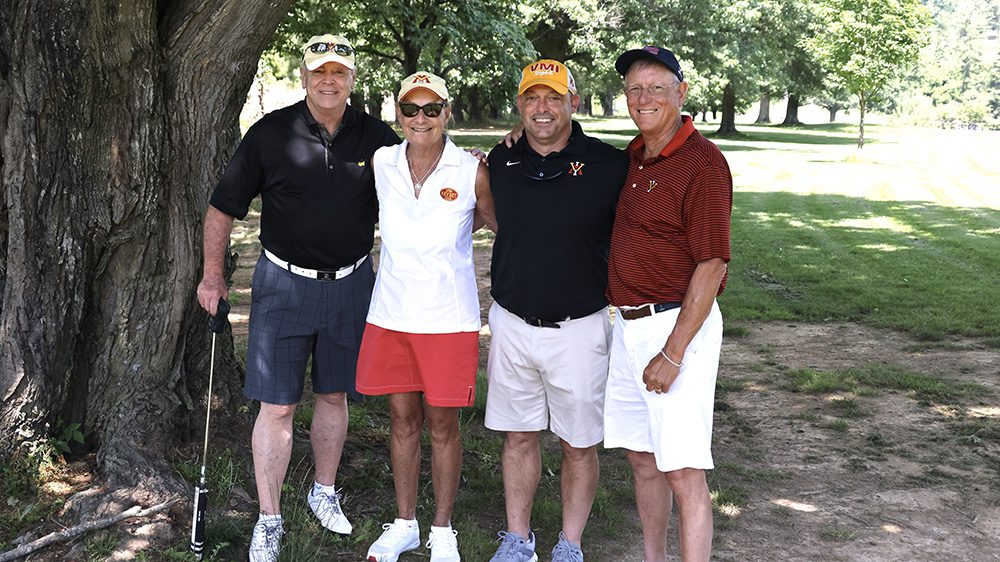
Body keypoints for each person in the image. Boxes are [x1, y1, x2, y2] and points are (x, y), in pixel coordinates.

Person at [196, 34, 400, 562]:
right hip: (283, 285)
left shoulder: (377, 137)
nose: (328, 81)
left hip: (352, 282)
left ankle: (324, 491)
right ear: (305, 76)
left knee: (334, 395)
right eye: (318, 72)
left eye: (338, 72)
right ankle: (269, 517)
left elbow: (424, 177)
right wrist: (212, 277)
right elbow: (222, 208)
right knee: (279, 404)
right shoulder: (271, 133)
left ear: (352, 79)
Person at [485, 59, 627, 562]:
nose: (542, 108)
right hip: (513, 322)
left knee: (577, 442)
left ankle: (570, 544)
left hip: (580, 327)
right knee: (519, 436)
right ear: (520, 106)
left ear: (575, 102)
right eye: (531, 98)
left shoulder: (611, 165)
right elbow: (490, 216)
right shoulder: (498, 163)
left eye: (553, 98)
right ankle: (518, 538)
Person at [356, 71, 496, 562]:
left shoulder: (469, 169)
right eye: (411, 109)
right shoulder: (381, 162)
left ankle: (442, 529)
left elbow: (500, 225)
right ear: (398, 115)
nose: (421, 118)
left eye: (431, 109)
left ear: (447, 113)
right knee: (401, 418)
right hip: (391, 312)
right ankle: (404, 523)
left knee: (442, 424)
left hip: (447, 318)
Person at [603, 46, 732, 562]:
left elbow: (712, 265)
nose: (645, 97)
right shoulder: (635, 155)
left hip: (676, 329)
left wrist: (673, 352)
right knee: (642, 458)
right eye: (635, 88)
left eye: (658, 87)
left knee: (682, 469)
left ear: (682, 93)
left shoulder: (702, 162)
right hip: (628, 326)